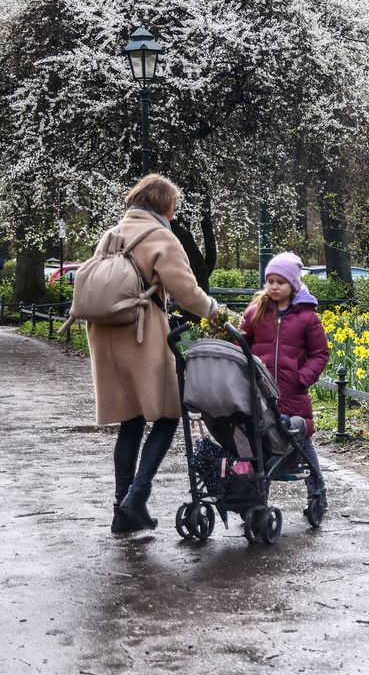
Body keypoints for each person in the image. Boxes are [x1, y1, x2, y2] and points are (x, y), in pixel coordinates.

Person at [88, 174, 221, 533]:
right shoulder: (161, 237)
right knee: (168, 413)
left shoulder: (113, 233)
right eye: (172, 207)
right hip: (141, 335)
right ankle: (137, 497)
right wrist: (218, 314)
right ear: (164, 206)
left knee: (130, 420)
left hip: (105, 336)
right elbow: (188, 293)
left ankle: (122, 509)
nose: (174, 214)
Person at [239, 252, 329, 509]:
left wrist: (303, 378)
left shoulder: (307, 317)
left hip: (292, 392)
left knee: (302, 444)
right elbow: (241, 347)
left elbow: (320, 354)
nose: (275, 286)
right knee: (260, 444)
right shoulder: (255, 313)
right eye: (270, 281)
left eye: (281, 282)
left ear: (293, 284)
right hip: (259, 393)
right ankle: (259, 500)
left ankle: (317, 490)